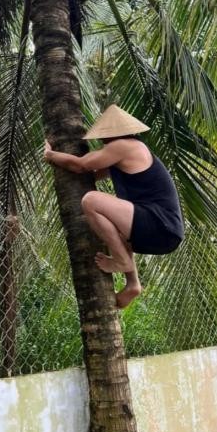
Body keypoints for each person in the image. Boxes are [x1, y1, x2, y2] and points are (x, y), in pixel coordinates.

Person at [44, 104, 184, 308]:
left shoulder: (124, 146)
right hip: (163, 230)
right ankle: (132, 284)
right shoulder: (126, 154)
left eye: (103, 136)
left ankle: (121, 260)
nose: (101, 141)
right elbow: (89, 173)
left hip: (159, 224)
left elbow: (81, 165)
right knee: (110, 222)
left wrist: (51, 155)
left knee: (91, 200)